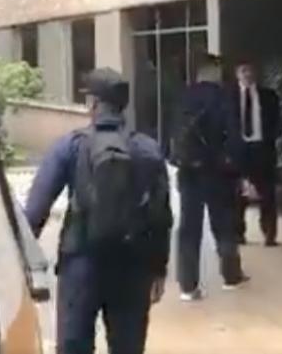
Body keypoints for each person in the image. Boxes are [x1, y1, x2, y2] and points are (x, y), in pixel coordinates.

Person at [24, 68, 173, 354]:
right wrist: (158, 269)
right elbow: (161, 216)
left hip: (81, 264)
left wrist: (24, 264)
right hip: (132, 267)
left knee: (74, 346)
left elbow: (35, 211)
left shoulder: (70, 146)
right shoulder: (148, 149)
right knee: (127, 347)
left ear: (92, 103)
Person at [172, 56, 248, 300]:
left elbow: (171, 133)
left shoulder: (183, 98)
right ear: (213, 72)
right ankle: (231, 276)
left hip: (189, 172)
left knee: (188, 229)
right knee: (224, 224)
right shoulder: (224, 98)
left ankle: (188, 286)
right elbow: (234, 137)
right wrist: (236, 167)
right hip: (217, 172)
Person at [230, 61, 282, 246]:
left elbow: (277, 121)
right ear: (237, 74)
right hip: (239, 150)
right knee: (237, 195)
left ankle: (269, 233)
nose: (247, 74)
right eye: (243, 70)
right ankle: (237, 233)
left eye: (250, 70)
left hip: (263, 149)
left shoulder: (269, 96)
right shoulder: (229, 97)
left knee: (267, 194)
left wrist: (272, 138)